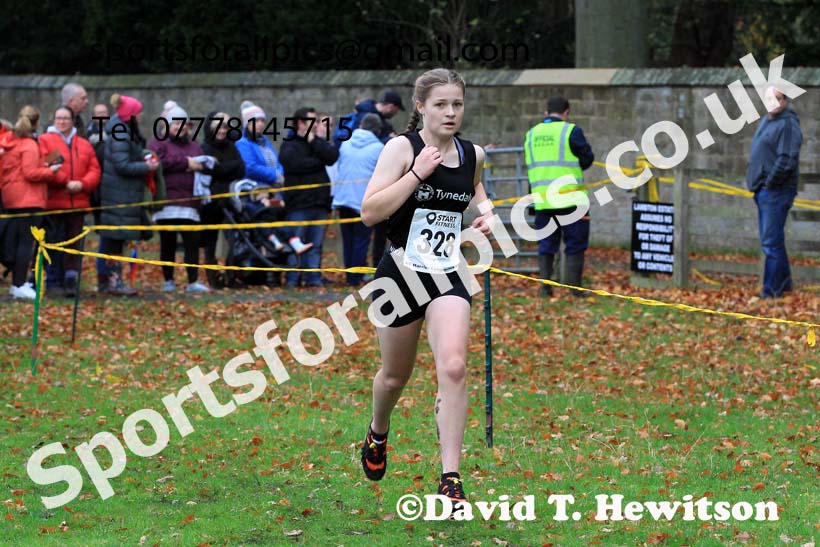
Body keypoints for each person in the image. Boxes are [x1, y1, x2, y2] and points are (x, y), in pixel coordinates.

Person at [358, 68, 494, 506]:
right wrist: (415, 174)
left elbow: (475, 191)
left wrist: (488, 214)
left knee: (453, 366)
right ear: (420, 107)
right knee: (395, 376)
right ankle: (378, 432)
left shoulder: (473, 153)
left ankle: (450, 477)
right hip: (398, 276)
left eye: (457, 104)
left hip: (447, 274)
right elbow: (369, 212)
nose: (450, 112)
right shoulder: (402, 148)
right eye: (441, 104)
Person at [524, 97, 594, 297]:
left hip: (543, 200)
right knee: (575, 242)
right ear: (567, 112)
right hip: (571, 199)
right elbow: (587, 158)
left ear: (546, 113)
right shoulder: (571, 130)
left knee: (546, 244)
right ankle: (575, 290)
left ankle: (545, 289)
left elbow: (532, 167)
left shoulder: (531, 134)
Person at [746, 86, 803, 298]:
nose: (773, 102)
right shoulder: (768, 120)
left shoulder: (788, 124)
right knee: (773, 242)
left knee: (770, 244)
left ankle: (770, 292)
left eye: (778, 98)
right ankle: (785, 285)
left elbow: (787, 159)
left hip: (777, 191)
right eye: (769, 98)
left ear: (785, 100)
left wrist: (770, 183)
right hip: (764, 190)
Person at [39, 105, 101, 297]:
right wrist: (66, 182)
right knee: (55, 241)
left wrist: (82, 184)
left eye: (66, 118)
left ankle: (71, 280)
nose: (62, 121)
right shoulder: (45, 141)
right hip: (55, 202)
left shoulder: (83, 144)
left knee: (74, 242)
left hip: (78, 202)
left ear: (72, 121)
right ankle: (53, 280)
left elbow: (95, 169)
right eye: (59, 118)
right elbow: (45, 165)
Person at [0, 106, 62, 299]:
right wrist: (51, 171)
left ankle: (17, 282)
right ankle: (19, 283)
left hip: (13, 197)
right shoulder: (29, 144)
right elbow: (30, 173)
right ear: (36, 123)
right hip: (29, 198)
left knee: (15, 242)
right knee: (25, 244)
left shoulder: (12, 142)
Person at [98, 93, 156, 296]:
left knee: (114, 241)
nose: (140, 116)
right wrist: (146, 166)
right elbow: (122, 164)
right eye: (138, 113)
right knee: (114, 241)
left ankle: (110, 281)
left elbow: (127, 155)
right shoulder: (120, 132)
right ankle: (114, 281)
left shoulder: (121, 130)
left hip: (123, 194)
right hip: (119, 195)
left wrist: (143, 156)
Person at [148, 104, 210, 293]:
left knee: (192, 242)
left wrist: (200, 166)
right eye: (176, 124)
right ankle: (168, 280)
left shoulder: (195, 146)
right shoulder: (157, 143)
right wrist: (184, 163)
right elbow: (156, 162)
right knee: (168, 243)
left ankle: (193, 281)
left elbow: (204, 164)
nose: (181, 128)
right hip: (167, 200)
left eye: (184, 125)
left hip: (190, 201)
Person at [279, 106, 339, 288]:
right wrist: (317, 162)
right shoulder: (289, 144)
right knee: (296, 242)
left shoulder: (317, 143)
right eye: (311, 121)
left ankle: (313, 277)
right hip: (298, 204)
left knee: (316, 243)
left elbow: (332, 156)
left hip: (319, 202)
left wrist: (314, 141)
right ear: (300, 123)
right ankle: (293, 278)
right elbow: (294, 164)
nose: (315, 125)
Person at [333, 113, 384, 286]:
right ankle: (356, 277)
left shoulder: (345, 143)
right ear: (377, 129)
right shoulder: (378, 148)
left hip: (343, 198)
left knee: (347, 240)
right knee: (361, 241)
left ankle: (349, 275)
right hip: (363, 201)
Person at [200, 111, 246, 287]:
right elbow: (212, 170)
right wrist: (225, 169)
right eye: (218, 126)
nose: (222, 131)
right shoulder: (205, 148)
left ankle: (231, 275)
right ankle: (213, 278)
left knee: (233, 240)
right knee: (210, 243)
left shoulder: (231, 147)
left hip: (230, 202)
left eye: (225, 127)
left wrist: (222, 167)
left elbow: (241, 168)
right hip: (211, 203)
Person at [334, 89, 404, 147]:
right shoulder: (367, 117)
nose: (396, 113)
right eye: (396, 110)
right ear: (391, 106)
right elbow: (364, 145)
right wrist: (389, 139)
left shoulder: (377, 117)